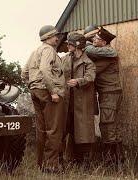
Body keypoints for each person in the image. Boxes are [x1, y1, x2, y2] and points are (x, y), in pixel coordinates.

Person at [21, 25, 66, 173]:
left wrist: (32, 86)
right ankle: (51, 166)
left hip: (36, 92)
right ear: (47, 38)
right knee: (53, 129)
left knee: (41, 130)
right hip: (48, 93)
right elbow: (45, 70)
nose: (57, 38)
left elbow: (24, 72)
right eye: (54, 36)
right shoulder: (48, 50)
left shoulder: (36, 51)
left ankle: (41, 164)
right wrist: (53, 91)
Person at [84, 26, 124, 165]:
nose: (94, 39)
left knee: (107, 124)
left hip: (110, 93)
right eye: (94, 37)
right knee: (111, 124)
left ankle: (111, 160)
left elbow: (93, 69)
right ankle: (117, 158)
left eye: (98, 39)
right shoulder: (103, 54)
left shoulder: (107, 56)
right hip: (110, 93)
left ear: (104, 43)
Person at [61, 33, 96, 164]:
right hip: (66, 102)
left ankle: (83, 163)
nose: (68, 46)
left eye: (70, 44)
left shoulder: (89, 63)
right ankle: (61, 160)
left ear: (78, 46)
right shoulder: (64, 59)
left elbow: (90, 77)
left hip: (81, 104)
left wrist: (78, 81)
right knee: (63, 130)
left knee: (82, 133)